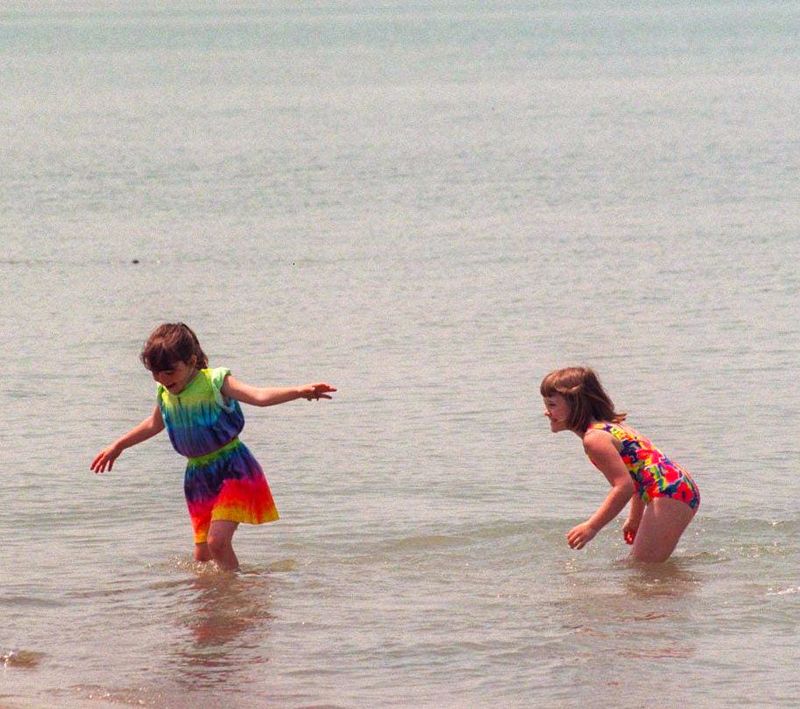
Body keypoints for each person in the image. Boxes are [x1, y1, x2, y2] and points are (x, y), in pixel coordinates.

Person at [91, 322, 335, 571]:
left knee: (217, 542)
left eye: (169, 372)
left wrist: (300, 391)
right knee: (203, 556)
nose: (163, 379)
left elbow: (259, 396)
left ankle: (233, 594)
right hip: (198, 477)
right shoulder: (164, 392)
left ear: (191, 360)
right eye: (156, 373)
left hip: (233, 467)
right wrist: (119, 445)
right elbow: (155, 424)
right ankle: (217, 599)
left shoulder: (216, 382)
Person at [540, 366, 699, 563]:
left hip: (669, 492)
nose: (546, 412)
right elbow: (640, 473)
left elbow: (624, 486)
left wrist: (592, 526)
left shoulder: (594, 439)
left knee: (642, 569)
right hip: (677, 487)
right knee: (641, 567)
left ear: (576, 404)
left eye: (552, 404)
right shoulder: (612, 427)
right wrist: (635, 517)